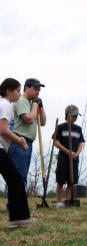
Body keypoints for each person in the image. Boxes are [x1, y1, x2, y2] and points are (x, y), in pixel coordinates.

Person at [0, 78, 34, 228]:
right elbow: (3, 130)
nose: (19, 94)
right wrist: (20, 140)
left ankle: (17, 218)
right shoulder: (6, 106)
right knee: (16, 180)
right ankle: (19, 218)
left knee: (14, 180)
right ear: (8, 91)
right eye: (18, 91)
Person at [8, 78, 46, 188]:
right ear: (26, 88)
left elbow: (43, 122)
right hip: (19, 141)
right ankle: (14, 204)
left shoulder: (31, 103)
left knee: (22, 176)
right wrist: (35, 105)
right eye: (35, 89)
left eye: (39, 90)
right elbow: (29, 119)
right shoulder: (21, 101)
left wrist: (41, 107)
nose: (37, 92)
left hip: (28, 143)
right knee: (19, 176)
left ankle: (17, 203)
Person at [54, 105, 85, 209]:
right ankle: (58, 203)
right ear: (67, 115)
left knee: (71, 182)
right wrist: (67, 151)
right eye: (73, 116)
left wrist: (77, 153)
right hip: (63, 158)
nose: (75, 118)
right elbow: (56, 142)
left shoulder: (78, 129)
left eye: (76, 116)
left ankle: (68, 202)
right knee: (60, 181)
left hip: (74, 159)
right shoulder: (61, 127)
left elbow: (81, 143)